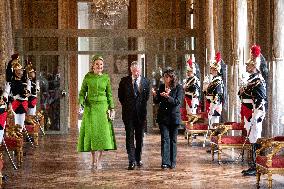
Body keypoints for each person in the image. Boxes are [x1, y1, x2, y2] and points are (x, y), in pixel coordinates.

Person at [77, 55, 116, 170]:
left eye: (101, 65)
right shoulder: (88, 77)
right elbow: (82, 92)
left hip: (103, 108)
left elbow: (109, 94)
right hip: (90, 108)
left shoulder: (106, 78)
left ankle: (99, 161)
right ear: (93, 65)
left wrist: (112, 108)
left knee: (102, 135)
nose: (99, 66)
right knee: (92, 134)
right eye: (97, 64)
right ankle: (93, 159)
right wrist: (81, 103)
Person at [239, 45, 267, 176]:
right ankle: (252, 165)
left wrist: (257, 114)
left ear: (254, 67)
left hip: (254, 113)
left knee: (255, 138)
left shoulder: (258, 80)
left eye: (249, 65)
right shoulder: (250, 79)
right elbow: (243, 95)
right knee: (251, 138)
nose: (247, 67)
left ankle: (256, 166)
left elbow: (261, 99)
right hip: (248, 112)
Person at [118, 61, 150, 170]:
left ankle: (138, 158)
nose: (136, 72)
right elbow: (121, 97)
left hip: (141, 114)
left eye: (138, 70)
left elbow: (146, 97)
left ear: (140, 70)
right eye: (134, 70)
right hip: (128, 114)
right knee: (129, 137)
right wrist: (129, 106)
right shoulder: (124, 81)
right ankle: (131, 160)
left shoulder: (146, 81)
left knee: (140, 137)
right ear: (131, 70)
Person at [152, 67, 183, 169]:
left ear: (171, 77)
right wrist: (155, 95)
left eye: (166, 77)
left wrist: (168, 97)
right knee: (165, 139)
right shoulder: (161, 87)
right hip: (163, 118)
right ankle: (165, 162)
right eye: (164, 77)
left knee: (173, 140)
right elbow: (157, 101)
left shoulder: (178, 88)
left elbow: (177, 102)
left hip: (174, 117)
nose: (164, 79)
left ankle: (172, 162)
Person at [8, 59, 31, 131]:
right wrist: (23, 93)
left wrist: (26, 92)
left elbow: (24, 91)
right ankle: (17, 135)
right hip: (17, 102)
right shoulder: (14, 81)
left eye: (21, 71)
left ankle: (19, 134)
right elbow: (16, 92)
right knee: (17, 122)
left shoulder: (20, 81)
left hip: (22, 102)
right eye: (19, 71)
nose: (21, 72)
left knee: (21, 120)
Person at [203, 53, 224, 128]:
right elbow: (207, 93)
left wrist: (213, 107)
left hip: (214, 105)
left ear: (216, 70)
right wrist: (205, 87)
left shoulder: (218, 81)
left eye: (212, 68)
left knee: (214, 126)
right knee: (211, 125)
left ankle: (213, 140)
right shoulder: (213, 81)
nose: (210, 69)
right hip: (210, 104)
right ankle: (212, 140)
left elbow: (217, 96)